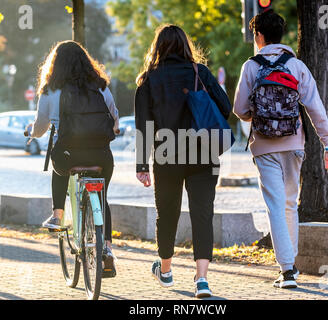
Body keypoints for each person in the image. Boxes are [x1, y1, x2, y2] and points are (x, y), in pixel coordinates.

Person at [234, 10, 328, 289]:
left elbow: (240, 109)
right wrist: (327, 143)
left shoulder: (251, 67)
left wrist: (260, 114)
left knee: (276, 206)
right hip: (294, 144)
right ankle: (290, 265)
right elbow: (315, 107)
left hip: (264, 147)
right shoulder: (296, 66)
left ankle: (288, 270)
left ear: (258, 36)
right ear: (281, 34)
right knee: (290, 204)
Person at [134, 24, 232, 298]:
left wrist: (142, 166)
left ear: (158, 47)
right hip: (204, 154)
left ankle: (165, 271)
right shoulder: (201, 73)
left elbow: (144, 127)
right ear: (185, 45)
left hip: (167, 156)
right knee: (203, 215)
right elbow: (225, 108)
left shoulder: (148, 80)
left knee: (167, 214)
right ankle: (202, 280)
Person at [25, 40, 119, 278]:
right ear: (86, 62)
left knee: (59, 169)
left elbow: (41, 127)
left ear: (54, 65)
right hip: (101, 155)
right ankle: (106, 248)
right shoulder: (100, 86)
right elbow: (115, 119)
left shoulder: (50, 90)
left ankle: (57, 216)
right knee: (102, 194)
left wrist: (31, 132)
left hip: (68, 155)